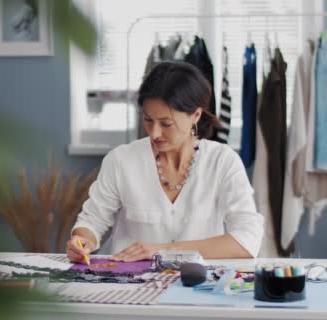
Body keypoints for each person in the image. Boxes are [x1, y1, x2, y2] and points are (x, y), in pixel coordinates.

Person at [66, 61, 264, 263]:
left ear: (196, 115)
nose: (155, 132)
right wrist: (82, 241)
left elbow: (247, 239)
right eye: (148, 120)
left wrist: (164, 250)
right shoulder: (121, 161)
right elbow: (92, 221)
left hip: (199, 287)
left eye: (166, 123)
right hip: (131, 287)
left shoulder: (222, 161)